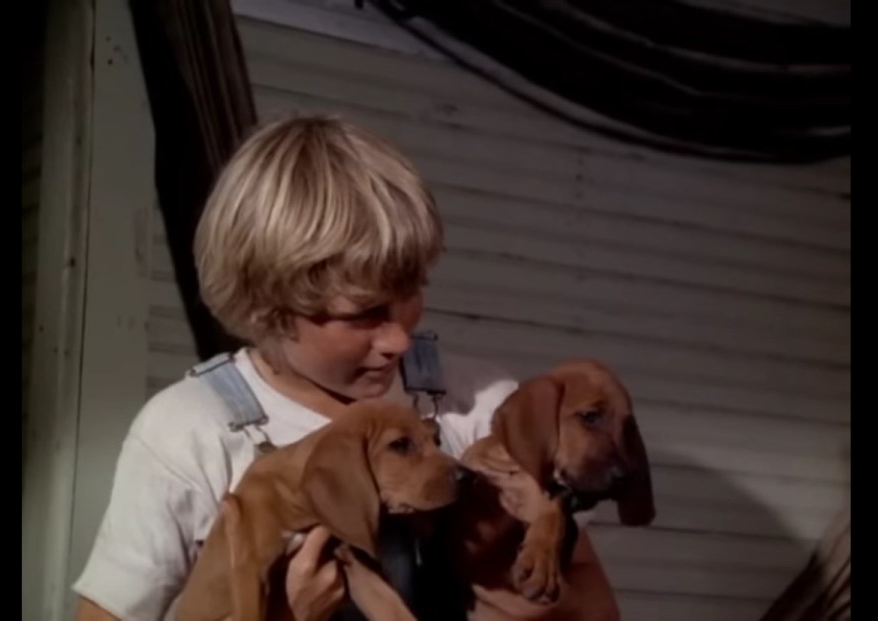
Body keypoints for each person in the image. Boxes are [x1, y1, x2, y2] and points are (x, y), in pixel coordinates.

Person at [73, 114, 620, 621]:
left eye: (410, 293)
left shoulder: (476, 405)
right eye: (363, 314)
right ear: (270, 305)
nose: (399, 339)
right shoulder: (190, 432)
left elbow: (592, 600)